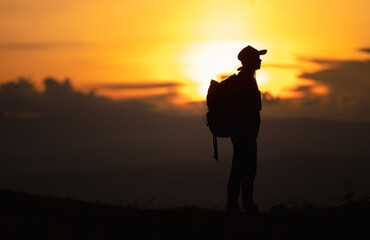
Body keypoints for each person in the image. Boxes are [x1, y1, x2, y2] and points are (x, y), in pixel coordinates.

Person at [226, 45, 266, 215]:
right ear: (249, 61)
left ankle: (239, 205)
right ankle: (243, 206)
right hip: (244, 133)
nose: (260, 60)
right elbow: (242, 107)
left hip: (245, 132)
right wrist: (246, 125)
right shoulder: (245, 80)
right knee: (244, 170)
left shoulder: (248, 78)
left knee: (242, 170)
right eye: (257, 57)